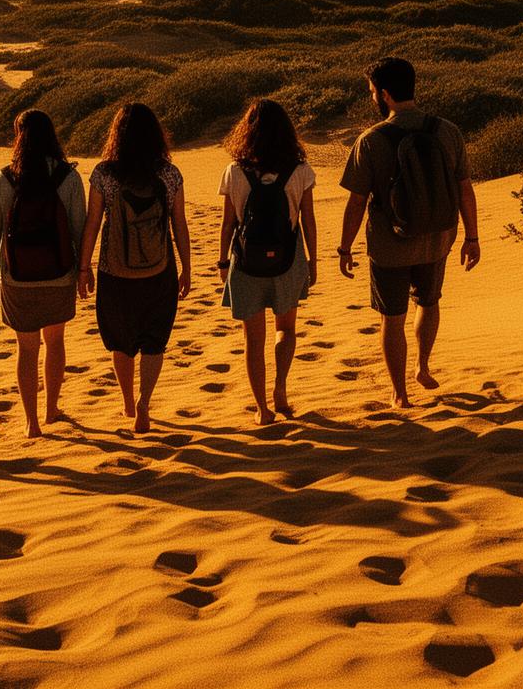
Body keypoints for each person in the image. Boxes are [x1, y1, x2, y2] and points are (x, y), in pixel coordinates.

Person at [336, 57, 480, 408]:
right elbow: (465, 189)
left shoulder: (370, 140)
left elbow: (356, 202)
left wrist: (344, 247)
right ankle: (423, 366)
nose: (372, 97)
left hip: (390, 245)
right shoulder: (447, 131)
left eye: (372, 91)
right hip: (437, 238)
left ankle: (399, 393)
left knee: (392, 317)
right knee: (429, 303)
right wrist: (472, 238)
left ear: (384, 95)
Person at [77, 102, 191, 434]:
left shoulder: (104, 174)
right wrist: (187, 268)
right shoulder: (170, 175)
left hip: (115, 274)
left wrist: (84, 269)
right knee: (154, 340)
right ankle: (144, 403)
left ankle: (127, 402)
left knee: (120, 341)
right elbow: (179, 225)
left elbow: (93, 224)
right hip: (160, 271)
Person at [0, 109, 87, 438]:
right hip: (59, 275)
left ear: (18, 137)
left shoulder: (3, 178)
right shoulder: (68, 177)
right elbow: (79, 229)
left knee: (26, 349)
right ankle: (52, 408)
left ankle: (31, 423)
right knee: (55, 343)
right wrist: (83, 271)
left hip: (16, 277)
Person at [216, 99, 318, 424]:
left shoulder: (234, 170)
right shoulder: (300, 171)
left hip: (246, 263)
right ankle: (281, 389)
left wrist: (221, 262)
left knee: (253, 338)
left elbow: (228, 223)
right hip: (289, 261)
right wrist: (313, 260)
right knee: (286, 329)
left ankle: (261, 408)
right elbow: (309, 221)